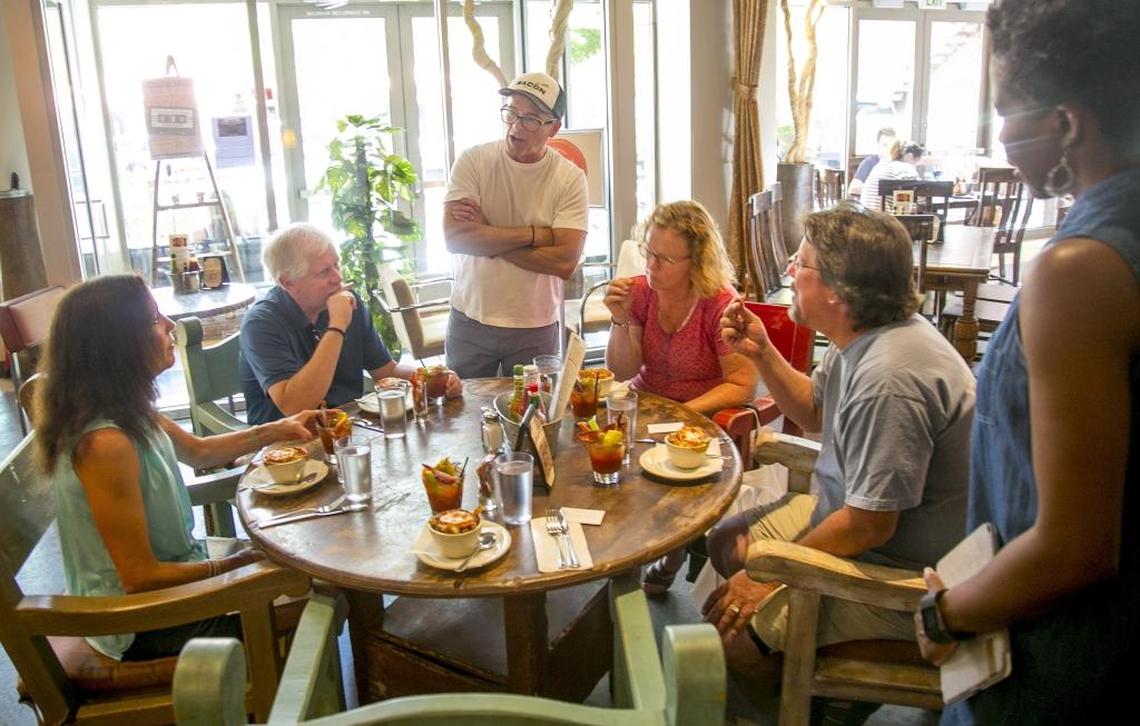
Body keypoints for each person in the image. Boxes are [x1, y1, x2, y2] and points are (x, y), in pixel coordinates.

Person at [914, 1, 1140, 722]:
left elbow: (1074, 547)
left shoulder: (1078, 270)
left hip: (1061, 658)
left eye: (1007, 112)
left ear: (1067, 125)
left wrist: (942, 613)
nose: (1003, 135)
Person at [705, 202, 974, 686]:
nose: (789, 269)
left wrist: (771, 575)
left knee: (731, 647)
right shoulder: (860, 337)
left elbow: (869, 526)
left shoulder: (891, 378)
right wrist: (763, 353)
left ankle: (839, 689)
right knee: (726, 543)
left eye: (801, 263)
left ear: (838, 290)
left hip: (906, 571)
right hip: (848, 518)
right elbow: (813, 410)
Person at [33, 275, 319, 661]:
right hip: (136, 622)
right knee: (317, 603)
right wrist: (232, 566)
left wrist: (276, 429)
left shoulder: (126, 408)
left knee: (303, 576)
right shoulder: (105, 445)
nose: (170, 325)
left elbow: (199, 451)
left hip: (171, 580)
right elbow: (140, 578)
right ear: (116, 343)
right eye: (153, 318)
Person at [603, 200, 758, 595]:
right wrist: (620, 319)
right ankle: (629, 550)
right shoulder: (641, 293)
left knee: (665, 462)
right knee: (602, 452)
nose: (651, 266)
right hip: (646, 400)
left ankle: (669, 552)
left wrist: (681, 415)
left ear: (697, 261)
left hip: (700, 410)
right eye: (648, 253)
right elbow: (621, 371)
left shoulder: (719, 304)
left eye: (665, 259)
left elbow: (742, 384)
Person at [443, 72, 589, 378]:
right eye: (511, 112)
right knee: (461, 415)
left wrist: (488, 235)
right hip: (471, 317)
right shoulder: (473, 161)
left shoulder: (570, 178)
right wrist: (536, 235)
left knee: (533, 419)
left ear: (554, 127)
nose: (516, 125)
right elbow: (456, 238)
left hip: (535, 325)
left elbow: (564, 263)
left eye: (531, 119)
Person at [239, 223, 461, 424]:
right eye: (325, 271)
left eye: (337, 265)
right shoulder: (261, 323)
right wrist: (337, 325)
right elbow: (295, 407)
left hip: (348, 427)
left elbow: (387, 371)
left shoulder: (345, 301)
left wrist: (436, 379)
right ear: (288, 283)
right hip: (285, 445)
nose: (338, 277)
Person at [859, 140, 925, 213]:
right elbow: (922, 201)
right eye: (916, 161)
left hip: (865, 216)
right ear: (910, 155)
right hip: (885, 220)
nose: (915, 165)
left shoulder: (881, 165)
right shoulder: (906, 168)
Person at [847, 127, 897, 199]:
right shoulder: (869, 163)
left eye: (892, 146)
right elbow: (853, 189)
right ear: (878, 145)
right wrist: (877, 189)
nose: (888, 149)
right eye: (885, 145)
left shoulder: (899, 165)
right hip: (871, 206)